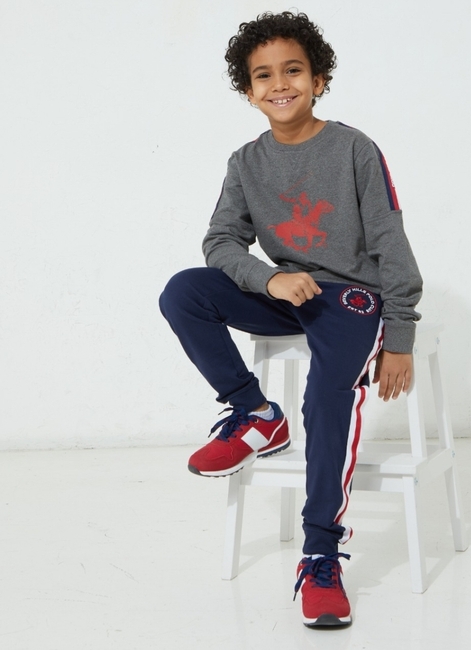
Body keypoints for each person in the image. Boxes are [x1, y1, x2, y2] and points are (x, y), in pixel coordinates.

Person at [159, 11, 422, 628]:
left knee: (326, 396)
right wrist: (268, 277)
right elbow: (221, 242)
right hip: (286, 292)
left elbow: (390, 240)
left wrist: (401, 333)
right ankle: (256, 414)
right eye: (264, 76)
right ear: (248, 91)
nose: (280, 84)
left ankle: (321, 553)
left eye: (294, 71)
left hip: (352, 298)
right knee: (185, 292)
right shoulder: (245, 162)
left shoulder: (354, 148)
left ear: (319, 80)